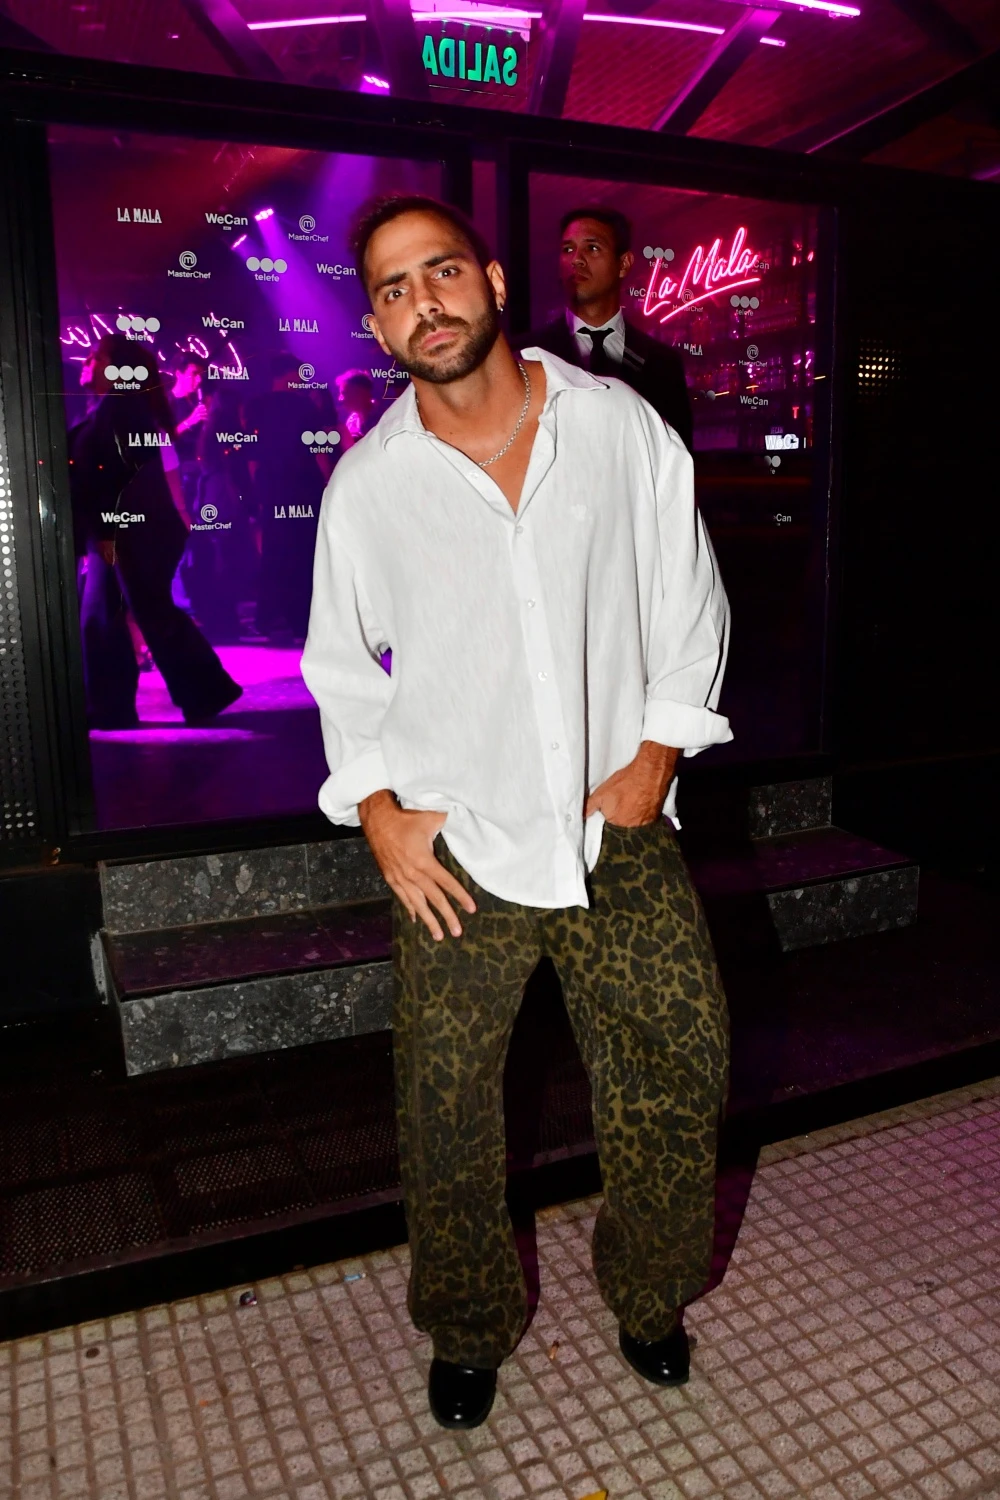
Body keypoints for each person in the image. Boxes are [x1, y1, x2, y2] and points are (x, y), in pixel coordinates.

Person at [301, 195, 731, 1431]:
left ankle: (648, 1295)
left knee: (677, 1066)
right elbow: (339, 670)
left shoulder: (614, 425)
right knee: (444, 1107)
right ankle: (469, 1325)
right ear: (377, 326)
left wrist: (657, 755)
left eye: (439, 271)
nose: (421, 302)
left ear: (491, 280)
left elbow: (687, 596)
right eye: (391, 289)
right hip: (461, 847)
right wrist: (378, 811)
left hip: (616, 823)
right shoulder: (369, 486)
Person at [69, 333, 242, 728]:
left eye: (95, 357)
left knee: (138, 612)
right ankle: (117, 707)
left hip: (131, 533)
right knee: (108, 615)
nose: (86, 363)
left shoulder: (122, 412)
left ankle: (200, 693)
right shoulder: (114, 411)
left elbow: (122, 480)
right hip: (121, 533)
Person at [519, 205, 693, 452]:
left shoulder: (663, 364)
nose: (576, 259)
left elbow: (678, 459)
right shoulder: (528, 354)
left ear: (623, 264)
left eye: (592, 248)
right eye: (568, 249)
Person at [246, 353, 333, 643]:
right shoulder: (304, 405)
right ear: (288, 374)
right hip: (303, 485)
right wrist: (328, 480)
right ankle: (301, 620)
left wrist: (257, 489)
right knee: (304, 551)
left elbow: (252, 455)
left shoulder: (255, 406)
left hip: (272, 487)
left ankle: (268, 618)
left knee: (273, 550)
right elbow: (317, 448)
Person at [334, 367, 381, 448]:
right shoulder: (352, 421)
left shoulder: (383, 416)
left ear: (359, 393)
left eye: (344, 393)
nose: (340, 398)